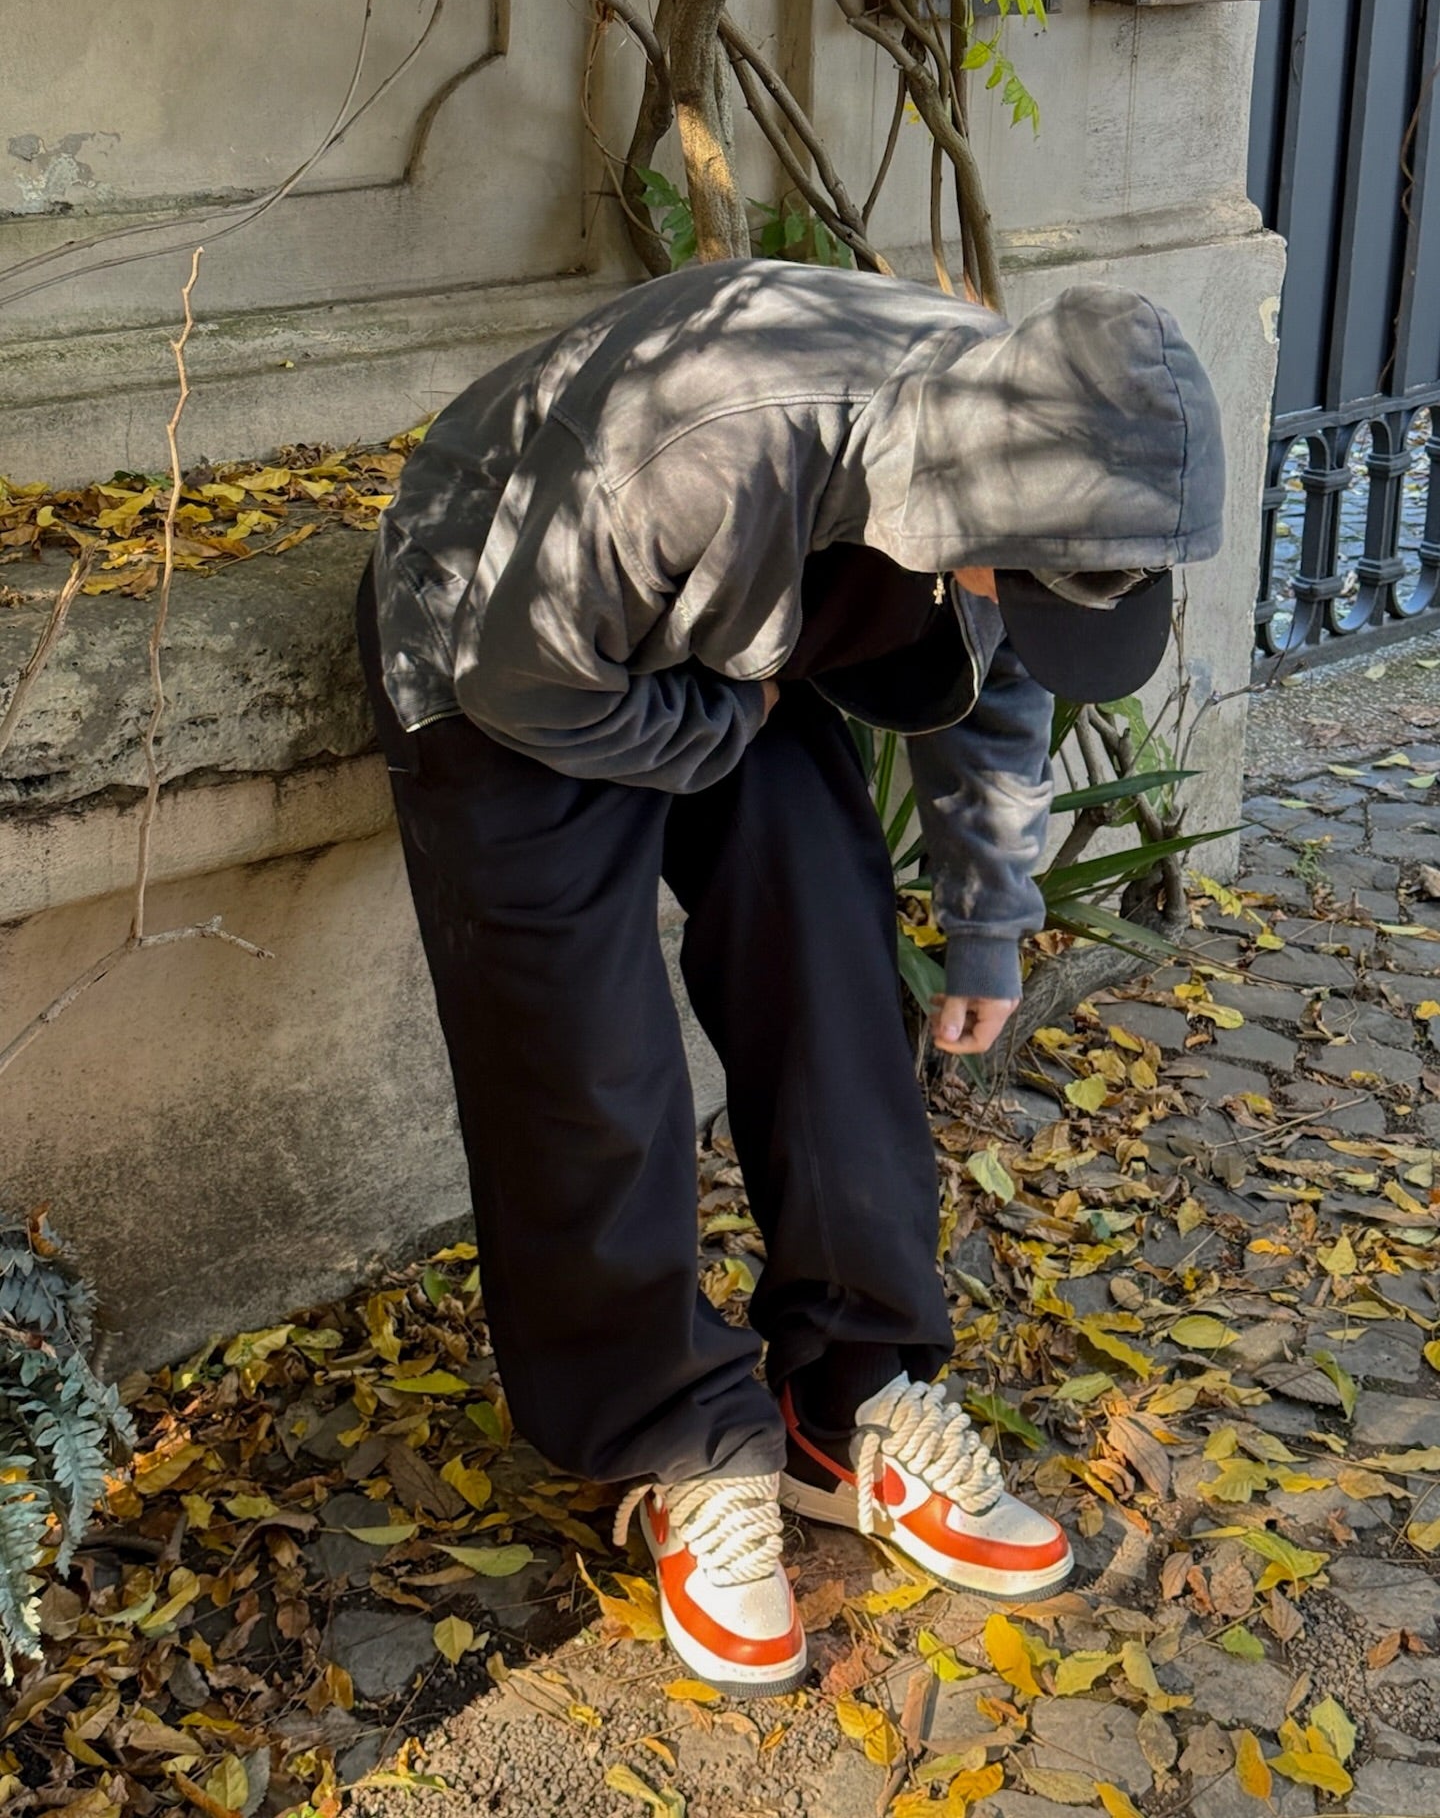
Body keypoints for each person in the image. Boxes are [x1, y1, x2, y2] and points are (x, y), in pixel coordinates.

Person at [355, 260, 1225, 1697]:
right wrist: (732, 719)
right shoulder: (708, 442)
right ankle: (678, 1443)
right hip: (509, 638)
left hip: (719, 651)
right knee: (586, 1057)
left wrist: (987, 918)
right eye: (1024, 573)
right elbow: (530, 681)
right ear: (971, 507)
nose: (1035, 602)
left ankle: (849, 1393)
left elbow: (997, 673)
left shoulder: (1031, 446)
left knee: (833, 956)